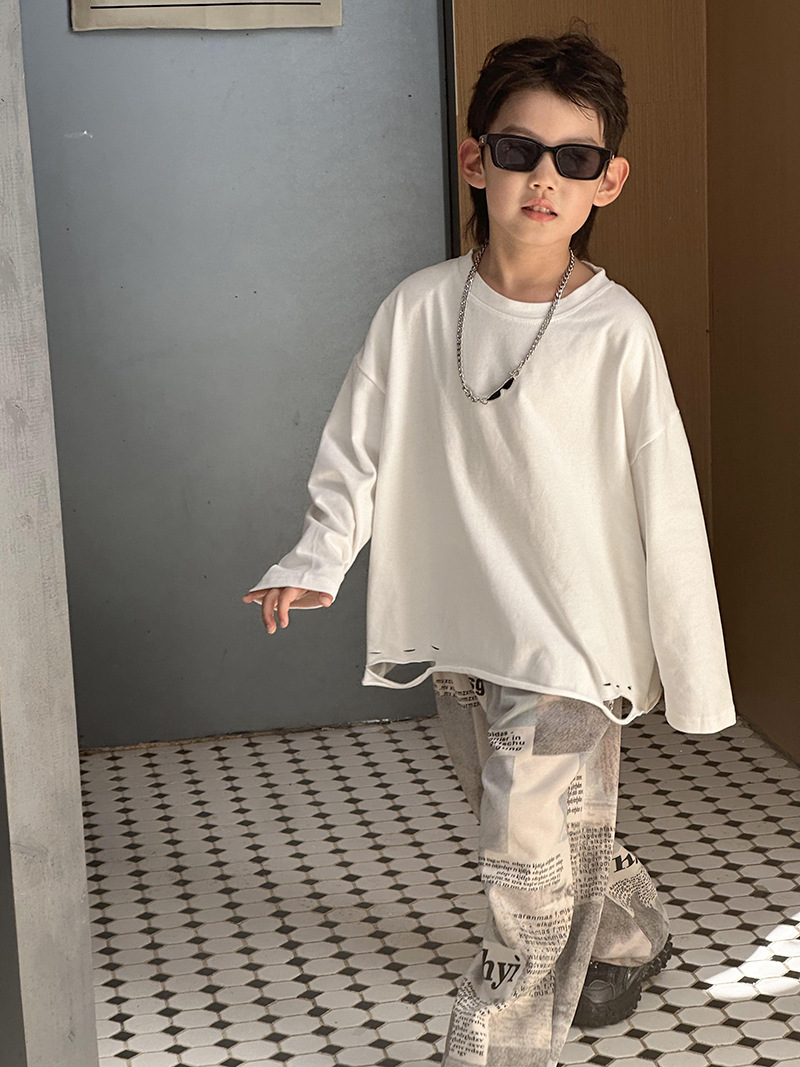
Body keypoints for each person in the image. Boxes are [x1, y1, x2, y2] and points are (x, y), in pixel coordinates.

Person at [242, 22, 736, 1067]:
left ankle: (496, 1040)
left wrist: (690, 671)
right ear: (476, 160)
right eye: (519, 150)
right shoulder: (418, 308)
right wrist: (317, 556)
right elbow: (357, 448)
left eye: (575, 158)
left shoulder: (617, 330)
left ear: (608, 181)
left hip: (574, 640)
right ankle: (629, 928)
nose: (543, 178)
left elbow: (667, 503)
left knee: (520, 847)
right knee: (524, 819)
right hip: (462, 623)